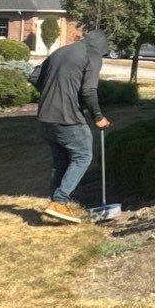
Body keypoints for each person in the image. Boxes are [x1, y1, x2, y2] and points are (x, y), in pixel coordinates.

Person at [31, 29, 112, 223]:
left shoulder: (60, 51)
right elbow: (89, 90)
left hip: (45, 118)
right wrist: (98, 117)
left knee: (61, 161)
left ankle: (55, 205)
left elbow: (34, 77)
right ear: (101, 46)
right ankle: (59, 201)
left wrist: (53, 91)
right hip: (67, 118)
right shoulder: (92, 55)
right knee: (83, 155)